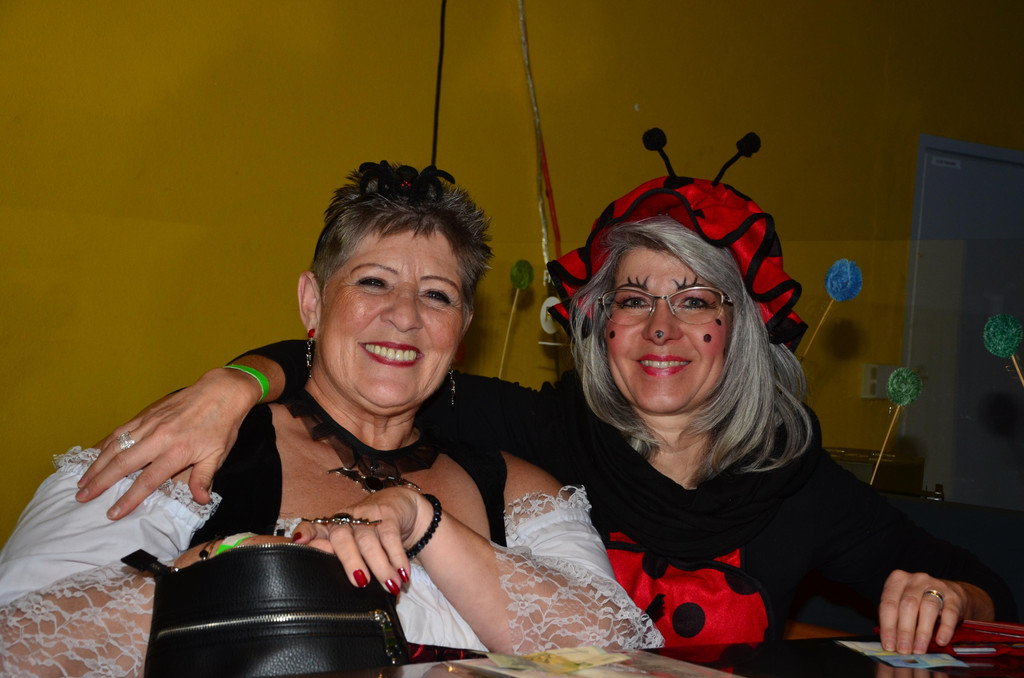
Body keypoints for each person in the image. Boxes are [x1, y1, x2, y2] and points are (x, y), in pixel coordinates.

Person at [71, 132, 1015, 656]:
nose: (660, 327)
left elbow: (988, 591)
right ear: (598, 323)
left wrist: (946, 596)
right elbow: (378, 360)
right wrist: (233, 384)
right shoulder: (539, 429)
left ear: (746, 329)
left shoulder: (797, 484)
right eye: (633, 299)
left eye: (696, 300)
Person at [0, 161, 660, 676]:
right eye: (373, 282)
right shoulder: (193, 447)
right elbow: (19, 647)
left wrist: (423, 521)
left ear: (461, 330)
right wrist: (228, 574)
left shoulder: (516, 489)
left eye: (437, 296)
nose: (405, 315)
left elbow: (619, 662)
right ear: (312, 303)